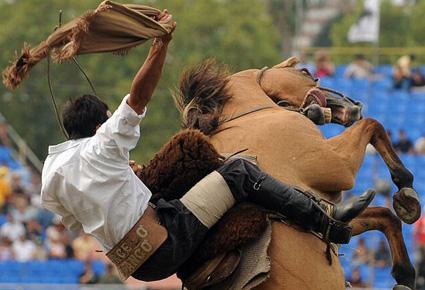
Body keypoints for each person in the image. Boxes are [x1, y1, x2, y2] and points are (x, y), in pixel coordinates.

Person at [40, 10, 374, 282]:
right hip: (165, 241)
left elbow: (74, 221)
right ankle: (325, 220)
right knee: (239, 171)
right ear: (99, 125)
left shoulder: (50, 174)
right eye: (109, 117)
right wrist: (161, 45)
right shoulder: (102, 145)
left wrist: (119, 186)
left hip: (137, 264)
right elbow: (138, 98)